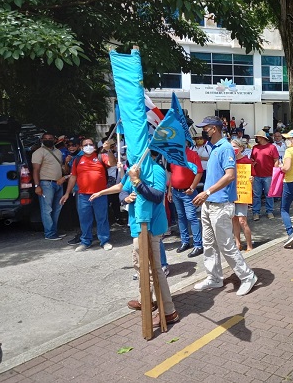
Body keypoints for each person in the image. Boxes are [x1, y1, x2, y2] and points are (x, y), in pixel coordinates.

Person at [91, 152, 180, 327]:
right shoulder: (134, 170)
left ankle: (169, 311)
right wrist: (125, 198)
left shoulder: (157, 170)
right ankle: (145, 300)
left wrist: (137, 182)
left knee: (155, 269)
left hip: (152, 227)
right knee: (140, 266)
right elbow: (122, 190)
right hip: (136, 226)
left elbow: (156, 196)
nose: (131, 158)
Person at [192, 116, 258, 296]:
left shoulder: (226, 148)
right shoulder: (214, 148)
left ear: (214, 129)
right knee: (209, 243)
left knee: (226, 245)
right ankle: (214, 278)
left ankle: (247, 276)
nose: (203, 131)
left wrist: (206, 192)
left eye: (205, 128)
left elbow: (230, 175)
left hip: (220, 204)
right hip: (209, 204)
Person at [60, 138, 116, 251]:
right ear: (81, 147)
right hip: (83, 196)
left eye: (91, 144)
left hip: (100, 194)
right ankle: (85, 241)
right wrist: (67, 193)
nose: (88, 146)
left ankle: (104, 241)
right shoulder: (77, 160)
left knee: (102, 218)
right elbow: (73, 177)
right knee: (85, 219)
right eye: (86, 145)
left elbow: (113, 163)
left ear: (94, 147)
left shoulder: (101, 157)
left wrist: (108, 150)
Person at [167, 142, 204, 258]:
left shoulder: (192, 154)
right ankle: (185, 241)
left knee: (191, 217)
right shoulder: (174, 155)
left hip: (188, 192)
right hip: (176, 191)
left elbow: (199, 172)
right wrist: (169, 190)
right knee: (181, 216)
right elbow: (172, 174)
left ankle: (198, 244)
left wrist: (192, 187)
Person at [32, 133, 68, 240]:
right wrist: (37, 185)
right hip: (46, 184)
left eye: (50, 138)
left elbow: (60, 167)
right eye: (45, 139)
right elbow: (35, 170)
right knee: (47, 210)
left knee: (57, 209)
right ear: (42, 140)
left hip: (58, 183)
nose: (48, 140)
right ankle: (49, 234)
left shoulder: (58, 152)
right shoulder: (39, 152)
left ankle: (54, 231)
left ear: (55, 140)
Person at [251, 130, 279, 221]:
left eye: (258, 136)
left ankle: (269, 211)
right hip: (257, 175)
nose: (257, 138)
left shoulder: (272, 147)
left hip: (268, 175)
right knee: (257, 195)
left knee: (268, 194)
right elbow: (252, 158)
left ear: (262, 138)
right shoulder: (255, 147)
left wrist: (275, 173)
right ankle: (256, 212)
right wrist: (253, 162)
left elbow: (276, 160)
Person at [231, 138, 254, 251]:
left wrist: (251, 178)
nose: (233, 149)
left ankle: (249, 245)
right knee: (234, 219)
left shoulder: (246, 161)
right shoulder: (229, 161)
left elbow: (253, 176)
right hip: (231, 194)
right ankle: (237, 244)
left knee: (242, 220)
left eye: (235, 147)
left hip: (242, 193)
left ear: (241, 148)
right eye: (232, 147)